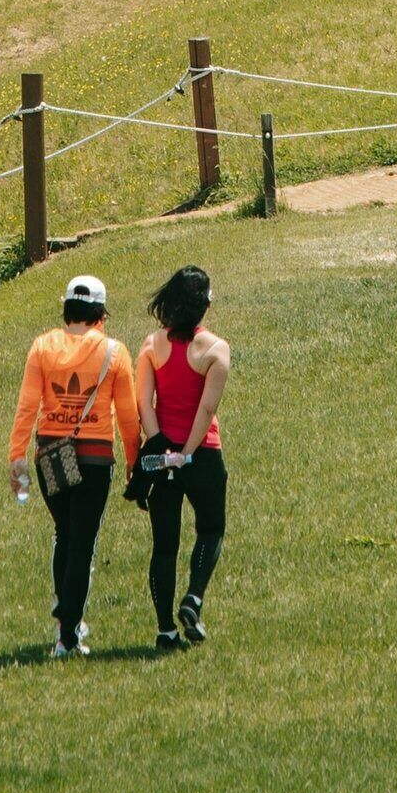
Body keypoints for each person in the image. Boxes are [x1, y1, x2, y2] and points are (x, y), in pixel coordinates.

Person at [6, 271, 140, 658]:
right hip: (95, 457)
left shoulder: (42, 346)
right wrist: (134, 460)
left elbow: (27, 407)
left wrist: (17, 456)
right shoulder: (115, 352)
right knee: (82, 543)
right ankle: (68, 635)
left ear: (67, 310)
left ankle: (67, 611)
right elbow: (128, 417)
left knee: (64, 535)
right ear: (101, 313)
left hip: (51, 452)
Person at [132, 264, 232, 651]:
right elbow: (206, 410)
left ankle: (165, 631)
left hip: (160, 458)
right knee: (210, 530)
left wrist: (161, 447)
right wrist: (187, 455)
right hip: (202, 455)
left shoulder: (151, 345)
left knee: (164, 546)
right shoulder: (216, 350)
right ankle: (193, 599)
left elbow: (144, 403)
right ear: (205, 305)